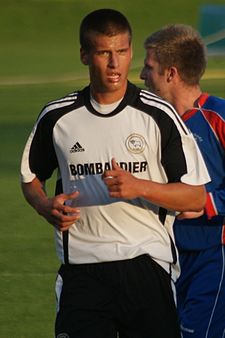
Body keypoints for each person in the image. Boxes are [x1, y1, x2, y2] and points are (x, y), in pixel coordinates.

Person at [20, 10, 210, 338]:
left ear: (131, 53)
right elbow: (30, 177)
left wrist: (140, 186)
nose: (114, 64)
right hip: (82, 271)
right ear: (84, 55)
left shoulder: (159, 116)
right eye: (104, 52)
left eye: (121, 52)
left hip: (147, 265)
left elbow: (194, 196)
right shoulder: (58, 117)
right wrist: (44, 206)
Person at [140, 24, 225, 338]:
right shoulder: (150, 125)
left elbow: (202, 198)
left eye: (149, 68)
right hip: (165, 258)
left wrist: (206, 202)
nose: (141, 75)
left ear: (170, 73)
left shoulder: (217, 117)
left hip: (215, 255)